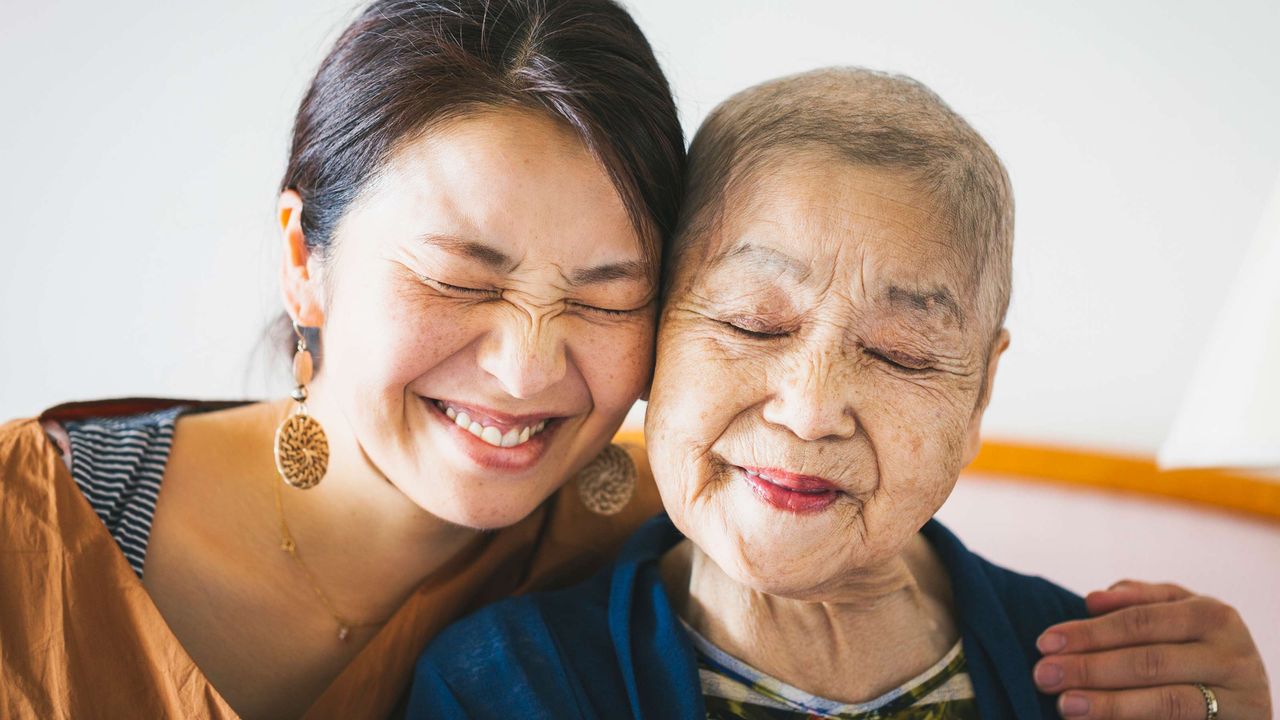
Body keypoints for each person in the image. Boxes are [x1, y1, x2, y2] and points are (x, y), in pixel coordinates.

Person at [0, 2, 1267, 719]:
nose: (523, 365)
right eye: (460, 275)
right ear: (303, 256)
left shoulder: (686, 521)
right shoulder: (27, 540)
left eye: (607, 296)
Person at [408, 68, 1273, 719]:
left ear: (980, 395)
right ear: (655, 338)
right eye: (753, 323)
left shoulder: (1106, 675)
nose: (811, 407)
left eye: (899, 354)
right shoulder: (512, 679)